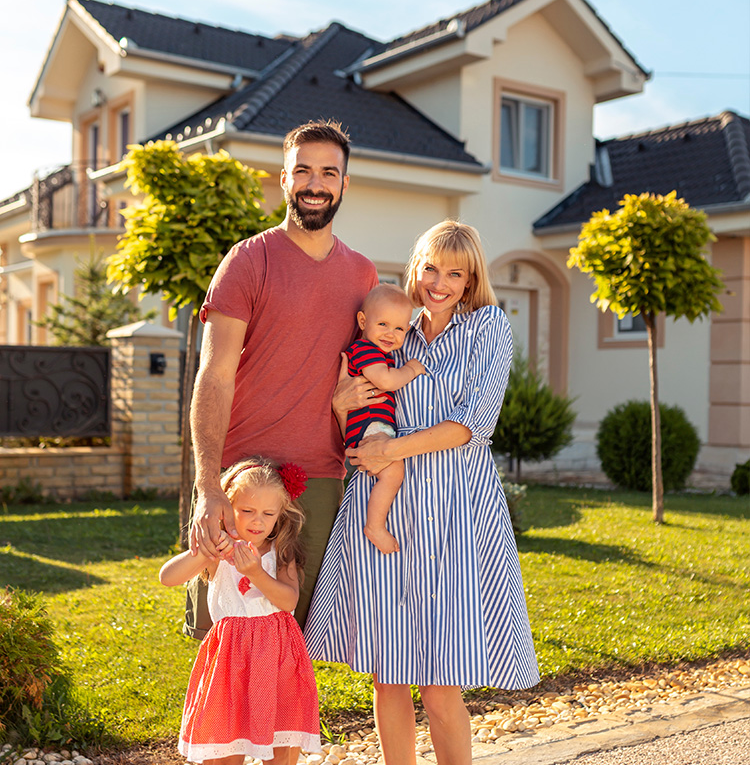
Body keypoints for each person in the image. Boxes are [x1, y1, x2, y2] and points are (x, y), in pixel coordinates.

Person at [305, 220, 540, 765]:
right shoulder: (395, 328)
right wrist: (343, 406)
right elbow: (355, 411)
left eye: (454, 272)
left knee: (440, 683)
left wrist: (392, 451)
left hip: (454, 509)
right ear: (417, 267)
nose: (439, 282)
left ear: (471, 277)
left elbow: (472, 424)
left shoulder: (487, 327)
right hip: (382, 507)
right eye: (431, 267)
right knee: (389, 672)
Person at [186, 120, 379, 638]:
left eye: (328, 173)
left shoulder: (363, 274)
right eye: (304, 171)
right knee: (225, 630)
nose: (315, 183)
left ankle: (289, 725)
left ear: (344, 184)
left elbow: (372, 366)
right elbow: (215, 374)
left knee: (297, 632)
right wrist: (208, 484)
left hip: (320, 476)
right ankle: (224, 724)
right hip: (241, 473)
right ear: (285, 178)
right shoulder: (249, 260)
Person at [160, 456, 320, 765]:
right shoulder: (219, 549)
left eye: (268, 513)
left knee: (279, 737)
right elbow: (168, 578)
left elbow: (288, 601)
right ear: (227, 509)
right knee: (224, 741)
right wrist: (205, 550)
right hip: (230, 657)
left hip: (277, 656)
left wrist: (258, 574)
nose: (257, 521)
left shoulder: (281, 549)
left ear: (280, 515)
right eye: (247, 511)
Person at [344, 284, 425, 554]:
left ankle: (375, 523)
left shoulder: (378, 352)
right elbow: (386, 381)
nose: (391, 334)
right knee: (393, 474)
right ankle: (375, 526)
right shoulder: (365, 349)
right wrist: (411, 370)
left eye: (400, 329)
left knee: (392, 474)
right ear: (363, 321)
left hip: (373, 426)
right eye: (383, 324)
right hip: (369, 427)